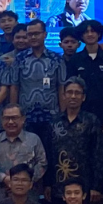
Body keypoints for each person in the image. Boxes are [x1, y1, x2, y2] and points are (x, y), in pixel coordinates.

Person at [48, 78, 103, 204]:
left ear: (83, 97)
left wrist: (96, 186)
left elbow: (98, 154)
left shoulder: (92, 121)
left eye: (77, 93)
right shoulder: (53, 122)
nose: (73, 96)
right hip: (58, 186)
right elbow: (49, 155)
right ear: (63, 95)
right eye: (69, 92)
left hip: (85, 187)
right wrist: (47, 184)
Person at [12, 20, 66, 149]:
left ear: (45, 34)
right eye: (30, 34)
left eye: (36, 33)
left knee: (52, 153)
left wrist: (63, 115)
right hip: (26, 117)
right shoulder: (20, 59)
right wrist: (14, 115)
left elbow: (61, 88)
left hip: (51, 116)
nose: (33, 37)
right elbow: (14, 87)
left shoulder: (56, 59)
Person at [0, 104, 47, 204]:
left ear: (23, 119)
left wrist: (23, 181)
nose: (10, 122)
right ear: (1, 120)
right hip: (1, 194)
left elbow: (42, 164)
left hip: (29, 195)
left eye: (14, 118)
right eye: (6, 118)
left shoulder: (34, 139)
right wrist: (4, 178)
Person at [65, 20, 103, 128]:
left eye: (93, 31)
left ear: (99, 34)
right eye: (86, 32)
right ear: (81, 35)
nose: (90, 34)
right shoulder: (75, 60)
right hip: (81, 113)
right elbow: (70, 88)